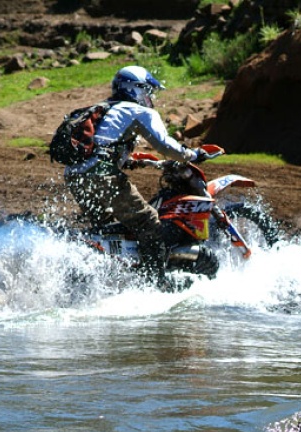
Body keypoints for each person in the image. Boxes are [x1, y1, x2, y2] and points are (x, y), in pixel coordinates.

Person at [63, 65, 204, 289]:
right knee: (149, 224)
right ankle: (156, 286)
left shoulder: (108, 108)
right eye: (148, 91)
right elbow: (165, 145)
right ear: (135, 89)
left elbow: (101, 145)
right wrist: (191, 154)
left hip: (75, 176)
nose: (150, 98)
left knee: (110, 230)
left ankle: (110, 282)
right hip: (101, 175)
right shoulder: (139, 111)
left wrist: (133, 160)